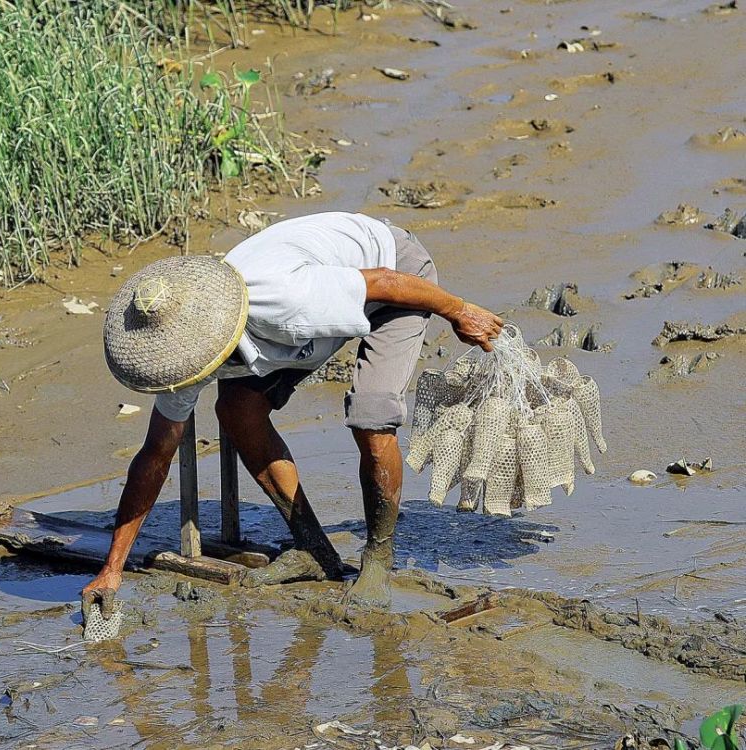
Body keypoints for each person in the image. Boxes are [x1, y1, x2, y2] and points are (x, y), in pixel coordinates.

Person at [83, 212, 502, 614]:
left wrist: (461, 311)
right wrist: (111, 569)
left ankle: (377, 559)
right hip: (314, 310)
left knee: (371, 419)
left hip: (395, 276)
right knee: (236, 410)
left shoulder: (283, 298)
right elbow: (156, 453)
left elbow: (388, 283)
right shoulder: (182, 354)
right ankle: (313, 549)